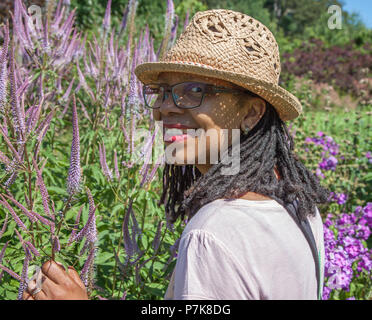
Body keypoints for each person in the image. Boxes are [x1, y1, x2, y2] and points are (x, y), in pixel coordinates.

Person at [23, 9, 330, 300]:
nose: (164, 107)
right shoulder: (297, 203)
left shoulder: (212, 235)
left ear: (251, 112)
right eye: (162, 91)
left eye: (195, 90)